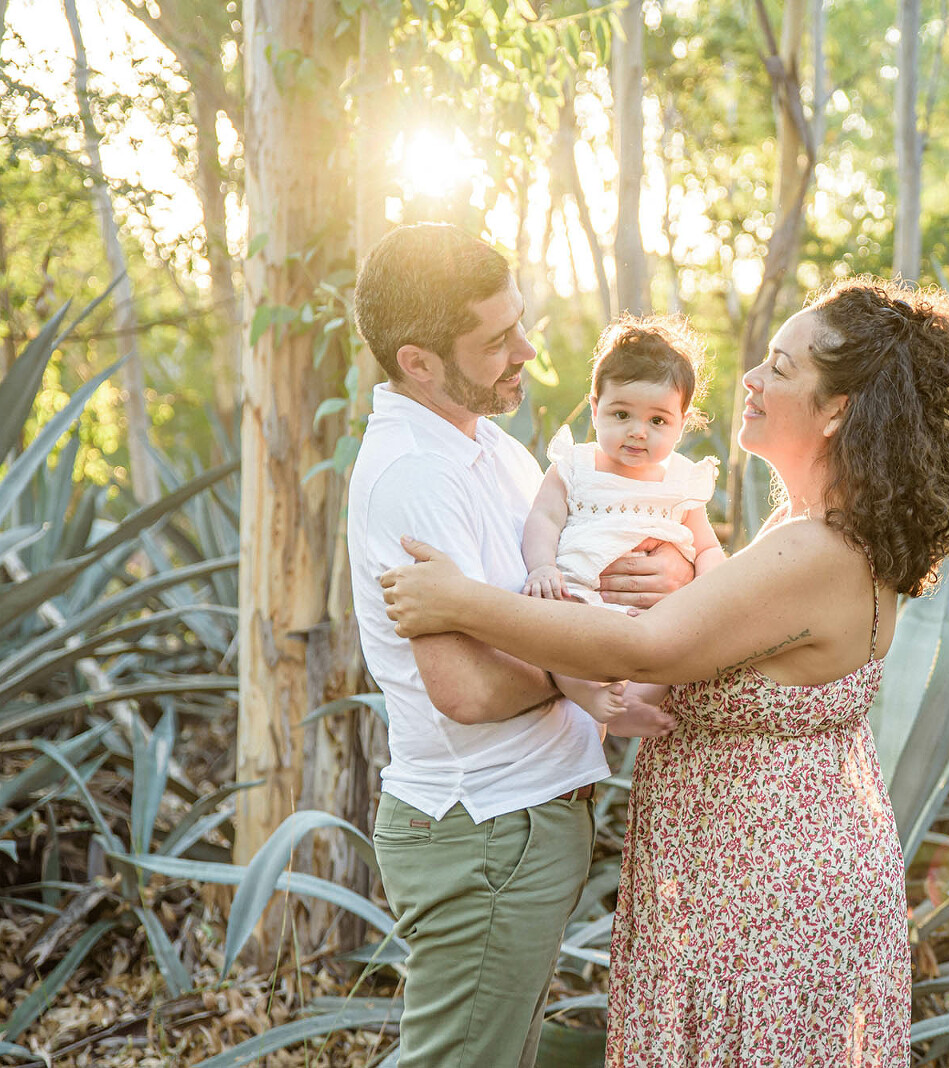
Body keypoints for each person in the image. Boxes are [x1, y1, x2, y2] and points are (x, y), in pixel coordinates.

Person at [381, 276, 949, 1065]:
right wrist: (688, 587)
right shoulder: (803, 529)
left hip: (768, 899)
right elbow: (725, 630)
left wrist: (459, 602)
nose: (751, 382)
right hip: (744, 882)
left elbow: (644, 650)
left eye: (782, 369)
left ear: (838, 411)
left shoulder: (813, 548)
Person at [345, 222, 695, 1068]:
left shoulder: (487, 445)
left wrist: (662, 579)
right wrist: (586, 665)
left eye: (520, 322)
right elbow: (465, 688)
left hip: (520, 822)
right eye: (497, 340)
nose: (527, 350)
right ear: (417, 361)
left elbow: (564, 583)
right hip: (486, 829)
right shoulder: (417, 476)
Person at [522, 315, 725, 724]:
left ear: (681, 424)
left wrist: (709, 593)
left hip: (652, 617)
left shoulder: (683, 481)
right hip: (578, 597)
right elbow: (543, 519)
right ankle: (591, 699)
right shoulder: (575, 466)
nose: (637, 432)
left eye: (657, 421)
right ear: (595, 409)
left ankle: (634, 704)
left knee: (668, 658)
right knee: (559, 642)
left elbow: (706, 547)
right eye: (621, 415)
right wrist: (543, 566)